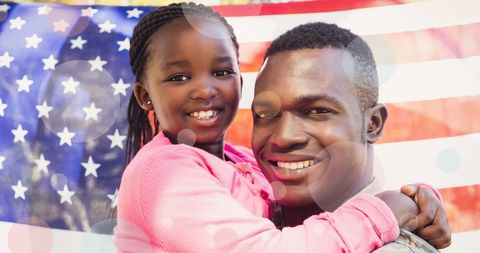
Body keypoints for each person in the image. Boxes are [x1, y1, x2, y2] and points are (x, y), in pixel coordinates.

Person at [115, 3, 450, 252]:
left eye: (220, 72)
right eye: (179, 77)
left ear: (239, 82)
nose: (204, 90)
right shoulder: (165, 172)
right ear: (145, 96)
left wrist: (417, 200)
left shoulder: (240, 161)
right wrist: (387, 208)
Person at [251, 22, 451, 251]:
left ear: (373, 124)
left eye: (317, 111)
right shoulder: (237, 218)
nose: (283, 137)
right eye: (266, 114)